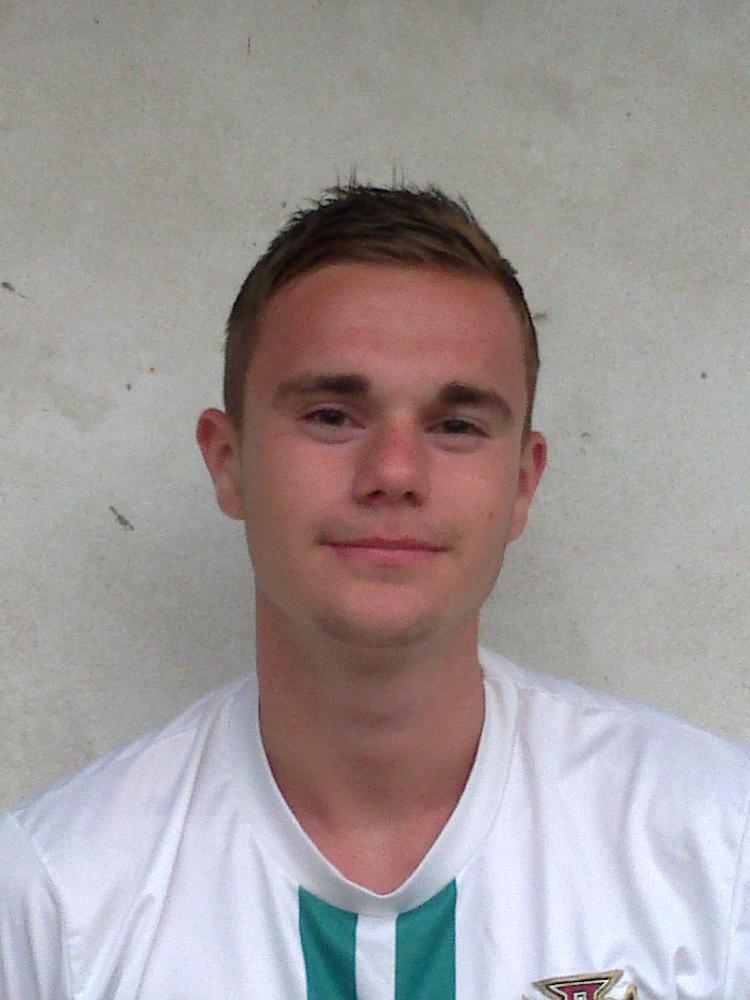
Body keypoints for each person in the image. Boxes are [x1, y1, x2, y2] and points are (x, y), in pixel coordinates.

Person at [1, 184, 748, 1000]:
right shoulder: (55, 897)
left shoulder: (718, 848)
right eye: (332, 415)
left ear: (523, 482)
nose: (394, 471)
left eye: (456, 425)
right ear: (228, 461)